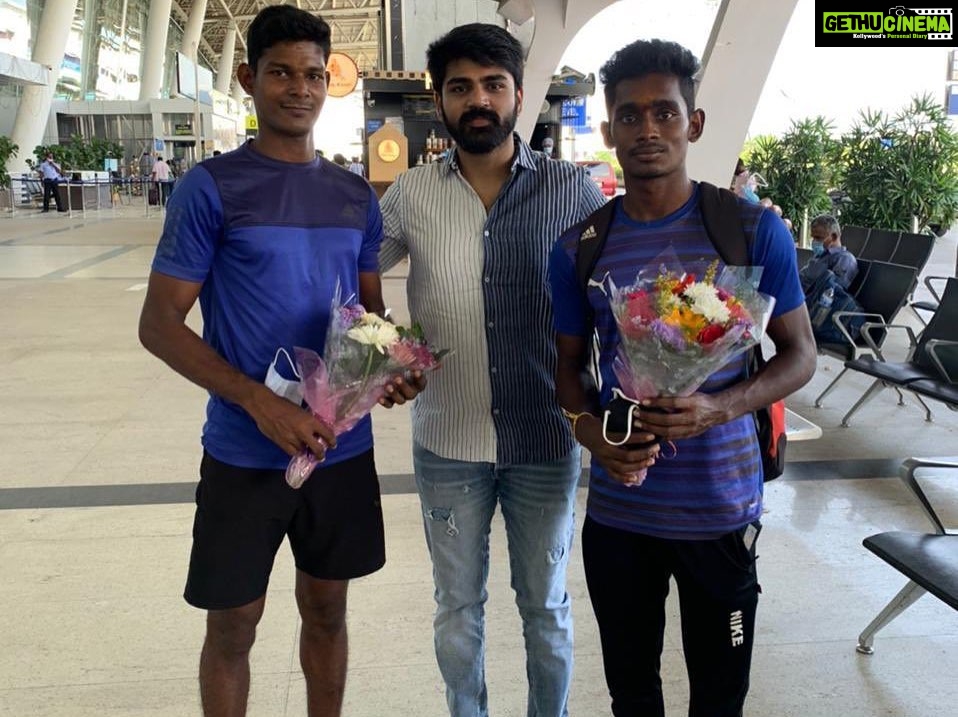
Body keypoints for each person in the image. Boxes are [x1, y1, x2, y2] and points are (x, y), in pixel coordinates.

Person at [137, 6, 421, 716]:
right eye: (281, 73)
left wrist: (390, 368)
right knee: (233, 624)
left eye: (314, 75)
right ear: (248, 79)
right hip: (242, 451)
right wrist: (257, 402)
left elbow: (368, 323)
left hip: (339, 449)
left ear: (330, 83)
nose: (300, 88)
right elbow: (159, 324)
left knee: (327, 611)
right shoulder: (213, 187)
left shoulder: (355, 195)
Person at [549, 39, 817, 717]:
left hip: (720, 511)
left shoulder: (752, 230)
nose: (648, 130)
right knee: (632, 694)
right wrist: (593, 437)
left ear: (692, 123)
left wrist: (717, 407)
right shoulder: (579, 246)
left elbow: (800, 355)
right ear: (608, 130)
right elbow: (568, 375)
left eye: (664, 113)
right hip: (620, 515)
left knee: (720, 697)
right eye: (630, 116)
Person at [378, 23, 606, 717]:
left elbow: (623, 290)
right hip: (448, 441)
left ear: (517, 94)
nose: (477, 99)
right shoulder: (410, 194)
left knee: (546, 605)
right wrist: (382, 349)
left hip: (547, 437)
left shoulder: (576, 192)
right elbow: (345, 285)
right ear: (440, 100)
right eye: (460, 87)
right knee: (457, 607)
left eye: (492, 85)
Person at [799, 213, 859, 290]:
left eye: (818, 237)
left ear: (834, 237)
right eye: (813, 237)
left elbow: (832, 292)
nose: (814, 241)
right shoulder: (819, 256)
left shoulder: (845, 259)